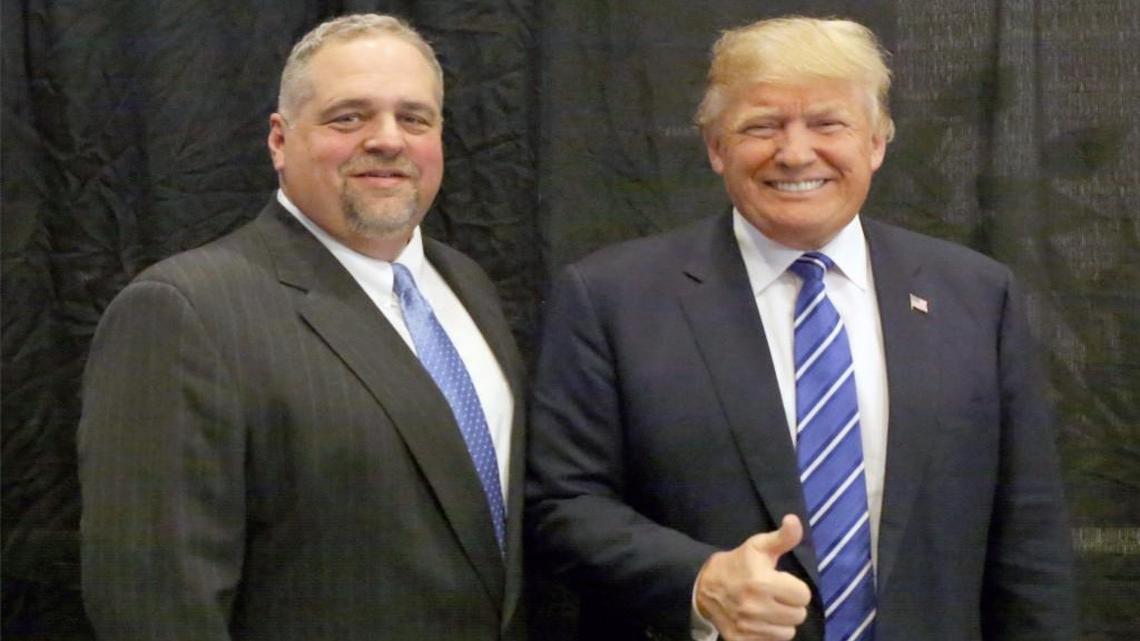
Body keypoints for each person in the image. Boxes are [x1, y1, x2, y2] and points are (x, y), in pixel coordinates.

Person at [525, 16, 1075, 641]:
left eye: (827, 123)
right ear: (715, 148)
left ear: (876, 141)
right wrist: (700, 581)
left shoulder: (977, 296)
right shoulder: (612, 299)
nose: (794, 153)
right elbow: (562, 504)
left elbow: (1028, 536)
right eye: (762, 126)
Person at [79, 14, 526, 640]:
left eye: (414, 118)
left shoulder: (467, 286)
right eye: (350, 117)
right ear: (280, 140)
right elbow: (155, 609)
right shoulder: (185, 311)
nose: (389, 140)